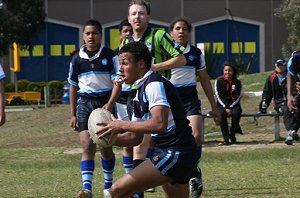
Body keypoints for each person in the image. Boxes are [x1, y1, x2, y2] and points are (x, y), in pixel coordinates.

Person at [97, 41, 198, 198]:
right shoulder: (139, 93)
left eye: (125, 63)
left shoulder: (154, 85)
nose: (120, 69)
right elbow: (134, 137)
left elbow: (159, 124)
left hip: (176, 152)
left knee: (117, 190)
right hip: (172, 152)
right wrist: (106, 137)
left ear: (141, 64)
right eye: (119, 64)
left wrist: (121, 124)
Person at [121, 1, 187, 196]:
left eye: (141, 13)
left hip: (157, 93)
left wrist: (154, 68)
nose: (137, 17)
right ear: (129, 17)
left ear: (148, 17)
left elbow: (181, 59)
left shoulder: (158, 35)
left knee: (153, 140)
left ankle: (184, 169)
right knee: (138, 144)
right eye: (133, 14)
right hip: (135, 94)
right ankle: (139, 189)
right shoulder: (126, 43)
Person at [67, 19, 121, 198]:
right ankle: (87, 189)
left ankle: (108, 186)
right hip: (85, 104)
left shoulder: (110, 56)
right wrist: (73, 113)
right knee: (87, 146)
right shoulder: (76, 59)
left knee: (105, 147)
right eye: (88, 33)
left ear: (100, 35)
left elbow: (117, 82)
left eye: (94, 33)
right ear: (83, 36)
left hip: (104, 103)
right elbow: (73, 86)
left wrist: (110, 103)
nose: (91, 36)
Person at [169, 17, 220, 198]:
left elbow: (205, 80)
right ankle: (185, 172)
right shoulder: (163, 52)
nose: (181, 31)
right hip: (169, 100)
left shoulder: (196, 53)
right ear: (171, 33)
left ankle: (193, 172)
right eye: (177, 28)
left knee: (196, 136)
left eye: (184, 28)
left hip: (190, 99)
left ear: (188, 32)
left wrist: (214, 107)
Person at [258, 59, 299, 145]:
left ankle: (292, 132)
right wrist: (262, 107)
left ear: (285, 66)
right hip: (279, 103)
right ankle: (291, 132)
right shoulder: (271, 78)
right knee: (286, 109)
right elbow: (267, 93)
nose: (279, 67)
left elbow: (296, 91)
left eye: (281, 65)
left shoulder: (293, 76)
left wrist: (294, 100)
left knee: (297, 109)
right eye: (277, 65)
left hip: (292, 100)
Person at [115, 19, 134, 174]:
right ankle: (131, 177)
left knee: (145, 139)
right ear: (120, 35)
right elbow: (116, 79)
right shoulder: (116, 55)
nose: (128, 33)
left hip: (138, 96)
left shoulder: (141, 53)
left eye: (131, 30)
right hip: (122, 100)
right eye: (125, 31)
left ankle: (145, 177)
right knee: (128, 141)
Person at [214, 61, 243, 145]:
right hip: (221, 104)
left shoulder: (238, 83)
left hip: (234, 104)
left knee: (236, 113)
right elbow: (218, 96)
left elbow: (238, 96)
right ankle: (226, 138)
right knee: (222, 114)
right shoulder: (219, 81)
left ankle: (232, 134)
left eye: (230, 70)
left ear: (233, 72)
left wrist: (230, 107)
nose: (227, 72)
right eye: (226, 70)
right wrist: (226, 107)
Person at [286, 50, 300, 143]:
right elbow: (290, 73)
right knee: (297, 103)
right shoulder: (297, 56)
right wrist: (289, 95)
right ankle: (292, 130)